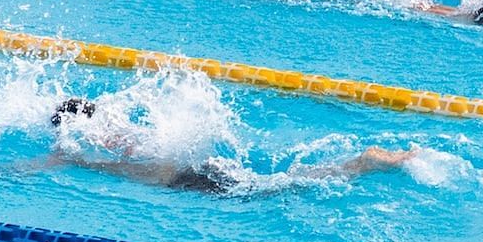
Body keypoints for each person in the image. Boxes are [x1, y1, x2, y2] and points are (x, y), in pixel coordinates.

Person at [50, 98, 418, 194]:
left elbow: (146, 169)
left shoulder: (114, 144)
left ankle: (362, 163)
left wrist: (77, 162)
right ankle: (357, 164)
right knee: (278, 181)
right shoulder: (126, 130)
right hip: (199, 169)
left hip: (190, 178)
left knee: (281, 186)